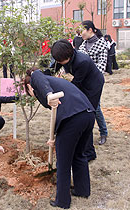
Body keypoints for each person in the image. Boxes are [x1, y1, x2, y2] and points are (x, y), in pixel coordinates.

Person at [24, 69, 95, 209]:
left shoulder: (38, 80)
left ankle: (62, 201)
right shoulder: (53, 84)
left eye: (29, 92)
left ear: (28, 87)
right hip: (87, 114)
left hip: (74, 118)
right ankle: (82, 190)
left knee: (63, 161)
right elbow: (59, 112)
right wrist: (56, 137)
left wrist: (48, 94)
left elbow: (36, 74)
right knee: (79, 154)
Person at [51, 39, 104, 161]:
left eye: (61, 61)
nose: (59, 62)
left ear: (69, 55)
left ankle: (89, 152)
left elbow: (75, 85)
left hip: (92, 86)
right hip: (81, 83)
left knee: (88, 113)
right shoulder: (63, 55)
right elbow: (54, 67)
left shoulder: (82, 61)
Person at [78, 20, 109, 149]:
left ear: (90, 30)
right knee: (85, 106)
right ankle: (87, 133)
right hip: (83, 81)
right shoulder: (82, 46)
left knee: (95, 107)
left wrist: (87, 73)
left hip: (95, 82)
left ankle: (103, 132)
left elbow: (102, 66)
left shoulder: (102, 45)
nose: (81, 34)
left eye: (82, 31)